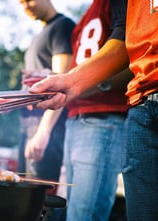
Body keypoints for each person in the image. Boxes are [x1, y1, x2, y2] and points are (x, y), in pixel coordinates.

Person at [29, 1, 158, 220]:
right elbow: (127, 41)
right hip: (99, 111)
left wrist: (96, 85)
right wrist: (72, 82)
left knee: (83, 214)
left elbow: (126, 46)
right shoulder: (87, 16)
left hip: (104, 117)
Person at [17, 0, 75, 196]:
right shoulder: (40, 34)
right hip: (28, 127)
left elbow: (62, 85)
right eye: (21, 2)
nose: (25, 6)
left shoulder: (62, 27)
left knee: (40, 200)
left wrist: (42, 133)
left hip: (47, 129)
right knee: (23, 195)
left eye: (28, 0)